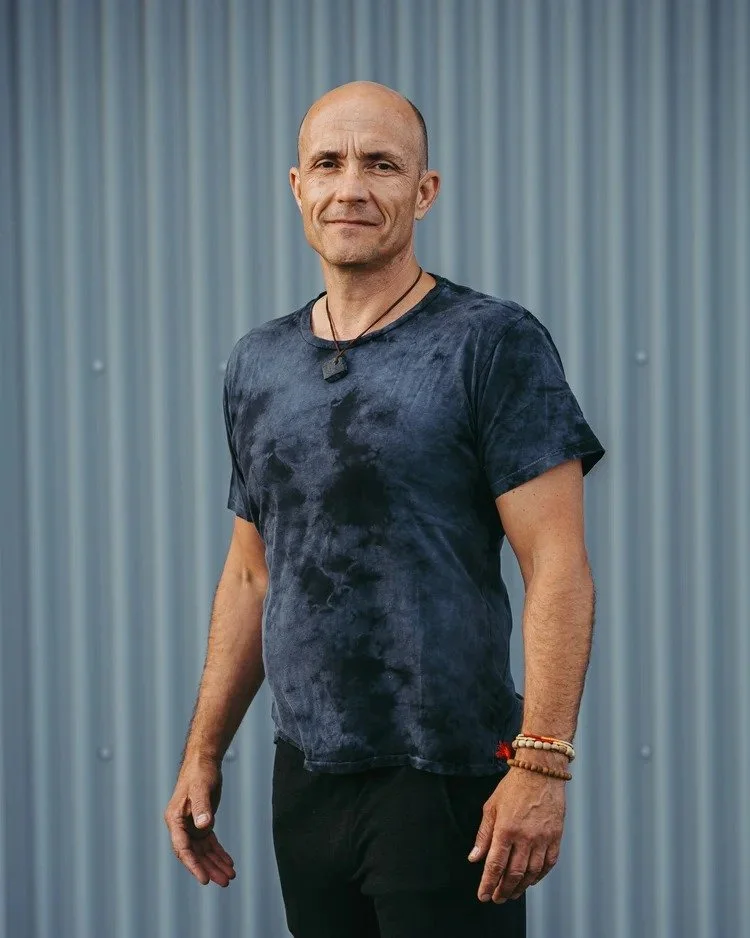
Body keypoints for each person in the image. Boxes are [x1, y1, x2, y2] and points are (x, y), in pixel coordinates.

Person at [164, 80, 606, 937]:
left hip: (445, 783)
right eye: (328, 163)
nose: (351, 187)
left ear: (424, 190)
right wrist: (204, 748)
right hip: (308, 777)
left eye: (381, 164)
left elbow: (557, 565)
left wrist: (541, 766)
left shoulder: (492, 343)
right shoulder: (257, 362)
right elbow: (254, 574)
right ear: (297, 186)